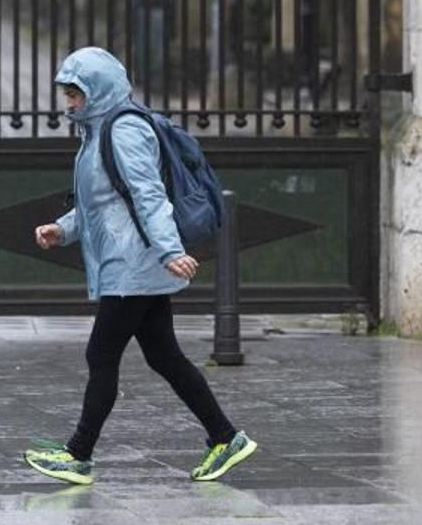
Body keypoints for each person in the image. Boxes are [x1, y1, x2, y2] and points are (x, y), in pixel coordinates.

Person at [23, 46, 256, 486]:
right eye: (67, 94)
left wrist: (169, 251)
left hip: (135, 263)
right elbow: (103, 203)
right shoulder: (96, 130)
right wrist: (62, 228)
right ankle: (226, 438)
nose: (69, 103)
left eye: (76, 94)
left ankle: (78, 455)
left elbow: (148, 195)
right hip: (130, 259)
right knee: (165, 356)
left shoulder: (124, 129)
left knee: (101, 354)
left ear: (99, 91)